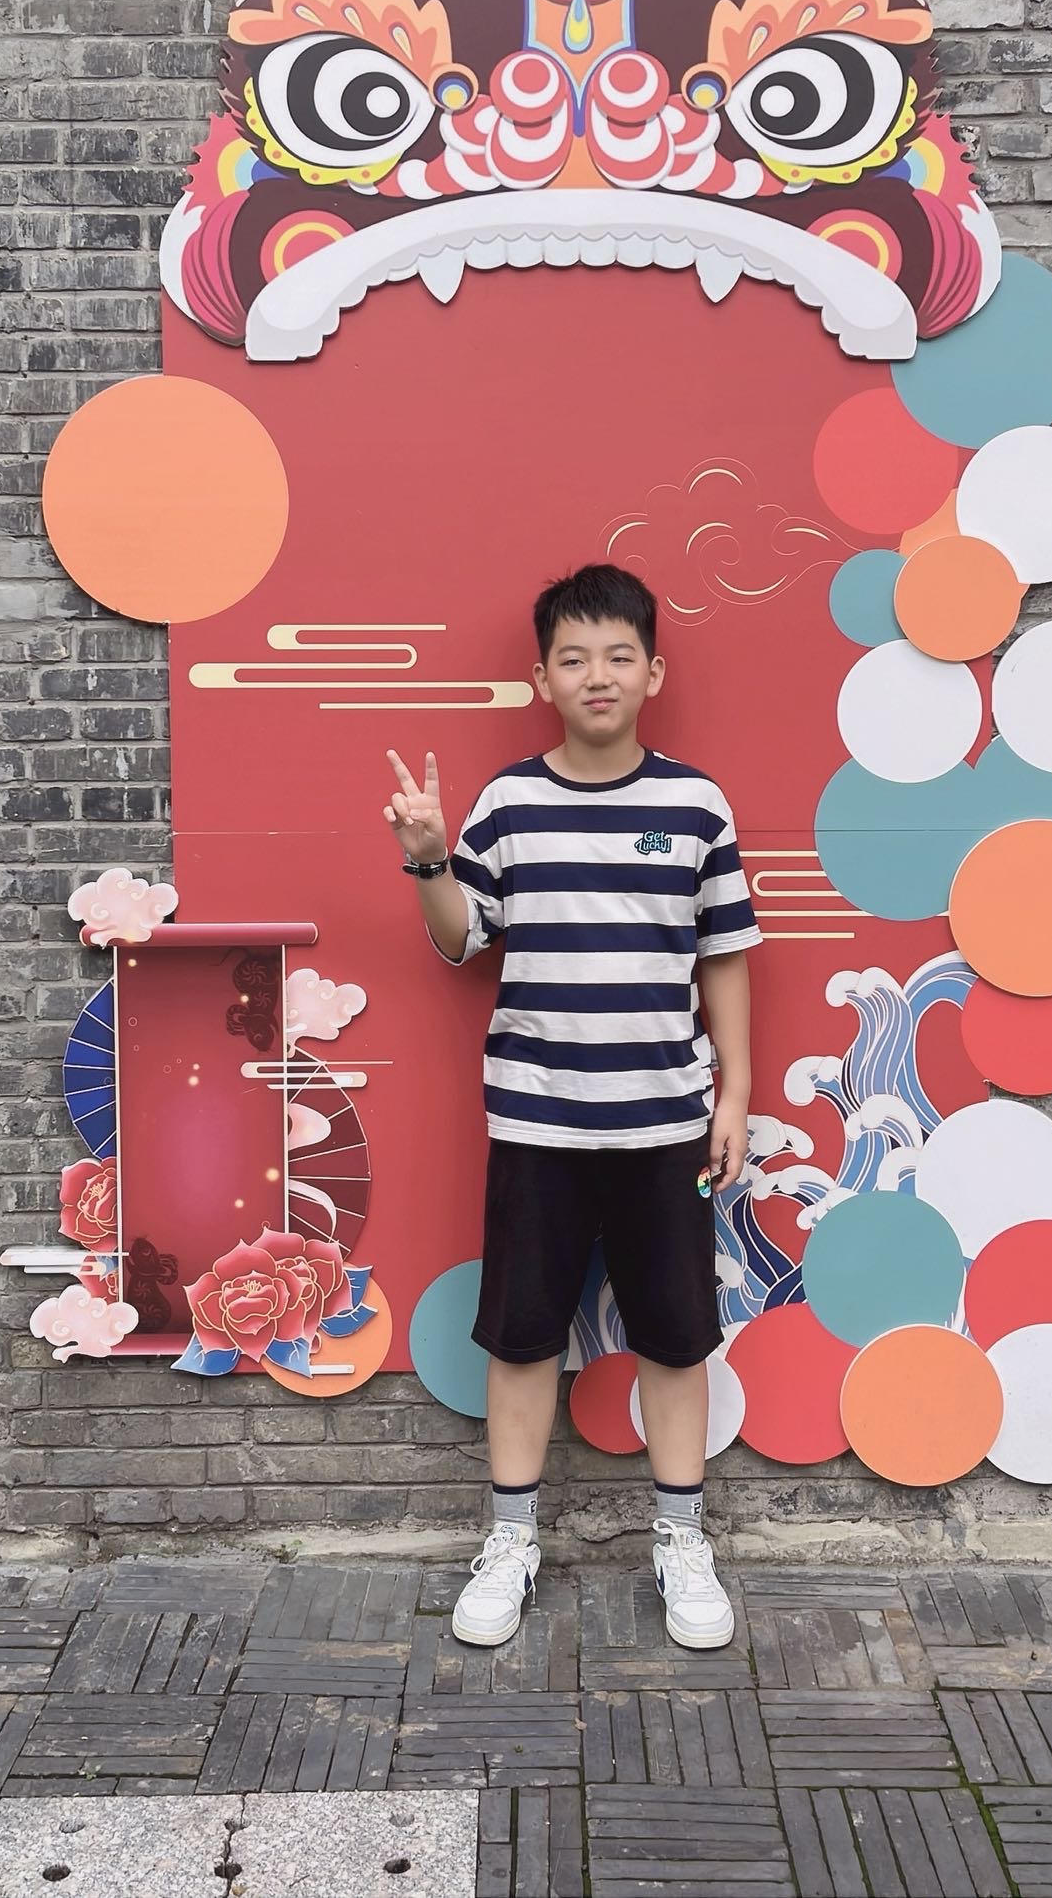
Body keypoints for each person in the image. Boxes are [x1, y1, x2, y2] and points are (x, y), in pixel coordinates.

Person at [382, 563, 760, 1651]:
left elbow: (724, 955)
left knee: (676, 1338)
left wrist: (733, 1092)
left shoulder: (695, 805)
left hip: (664, 1127)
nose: (598, 674)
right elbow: (463, 939)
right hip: (537, 1125)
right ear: (542, 677)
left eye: (618, 654)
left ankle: (681, 1540)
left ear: (653, 671)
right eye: (573, 657)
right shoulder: (508, 803)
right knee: (521, 1337)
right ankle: (510, 1542)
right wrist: (427, 861)